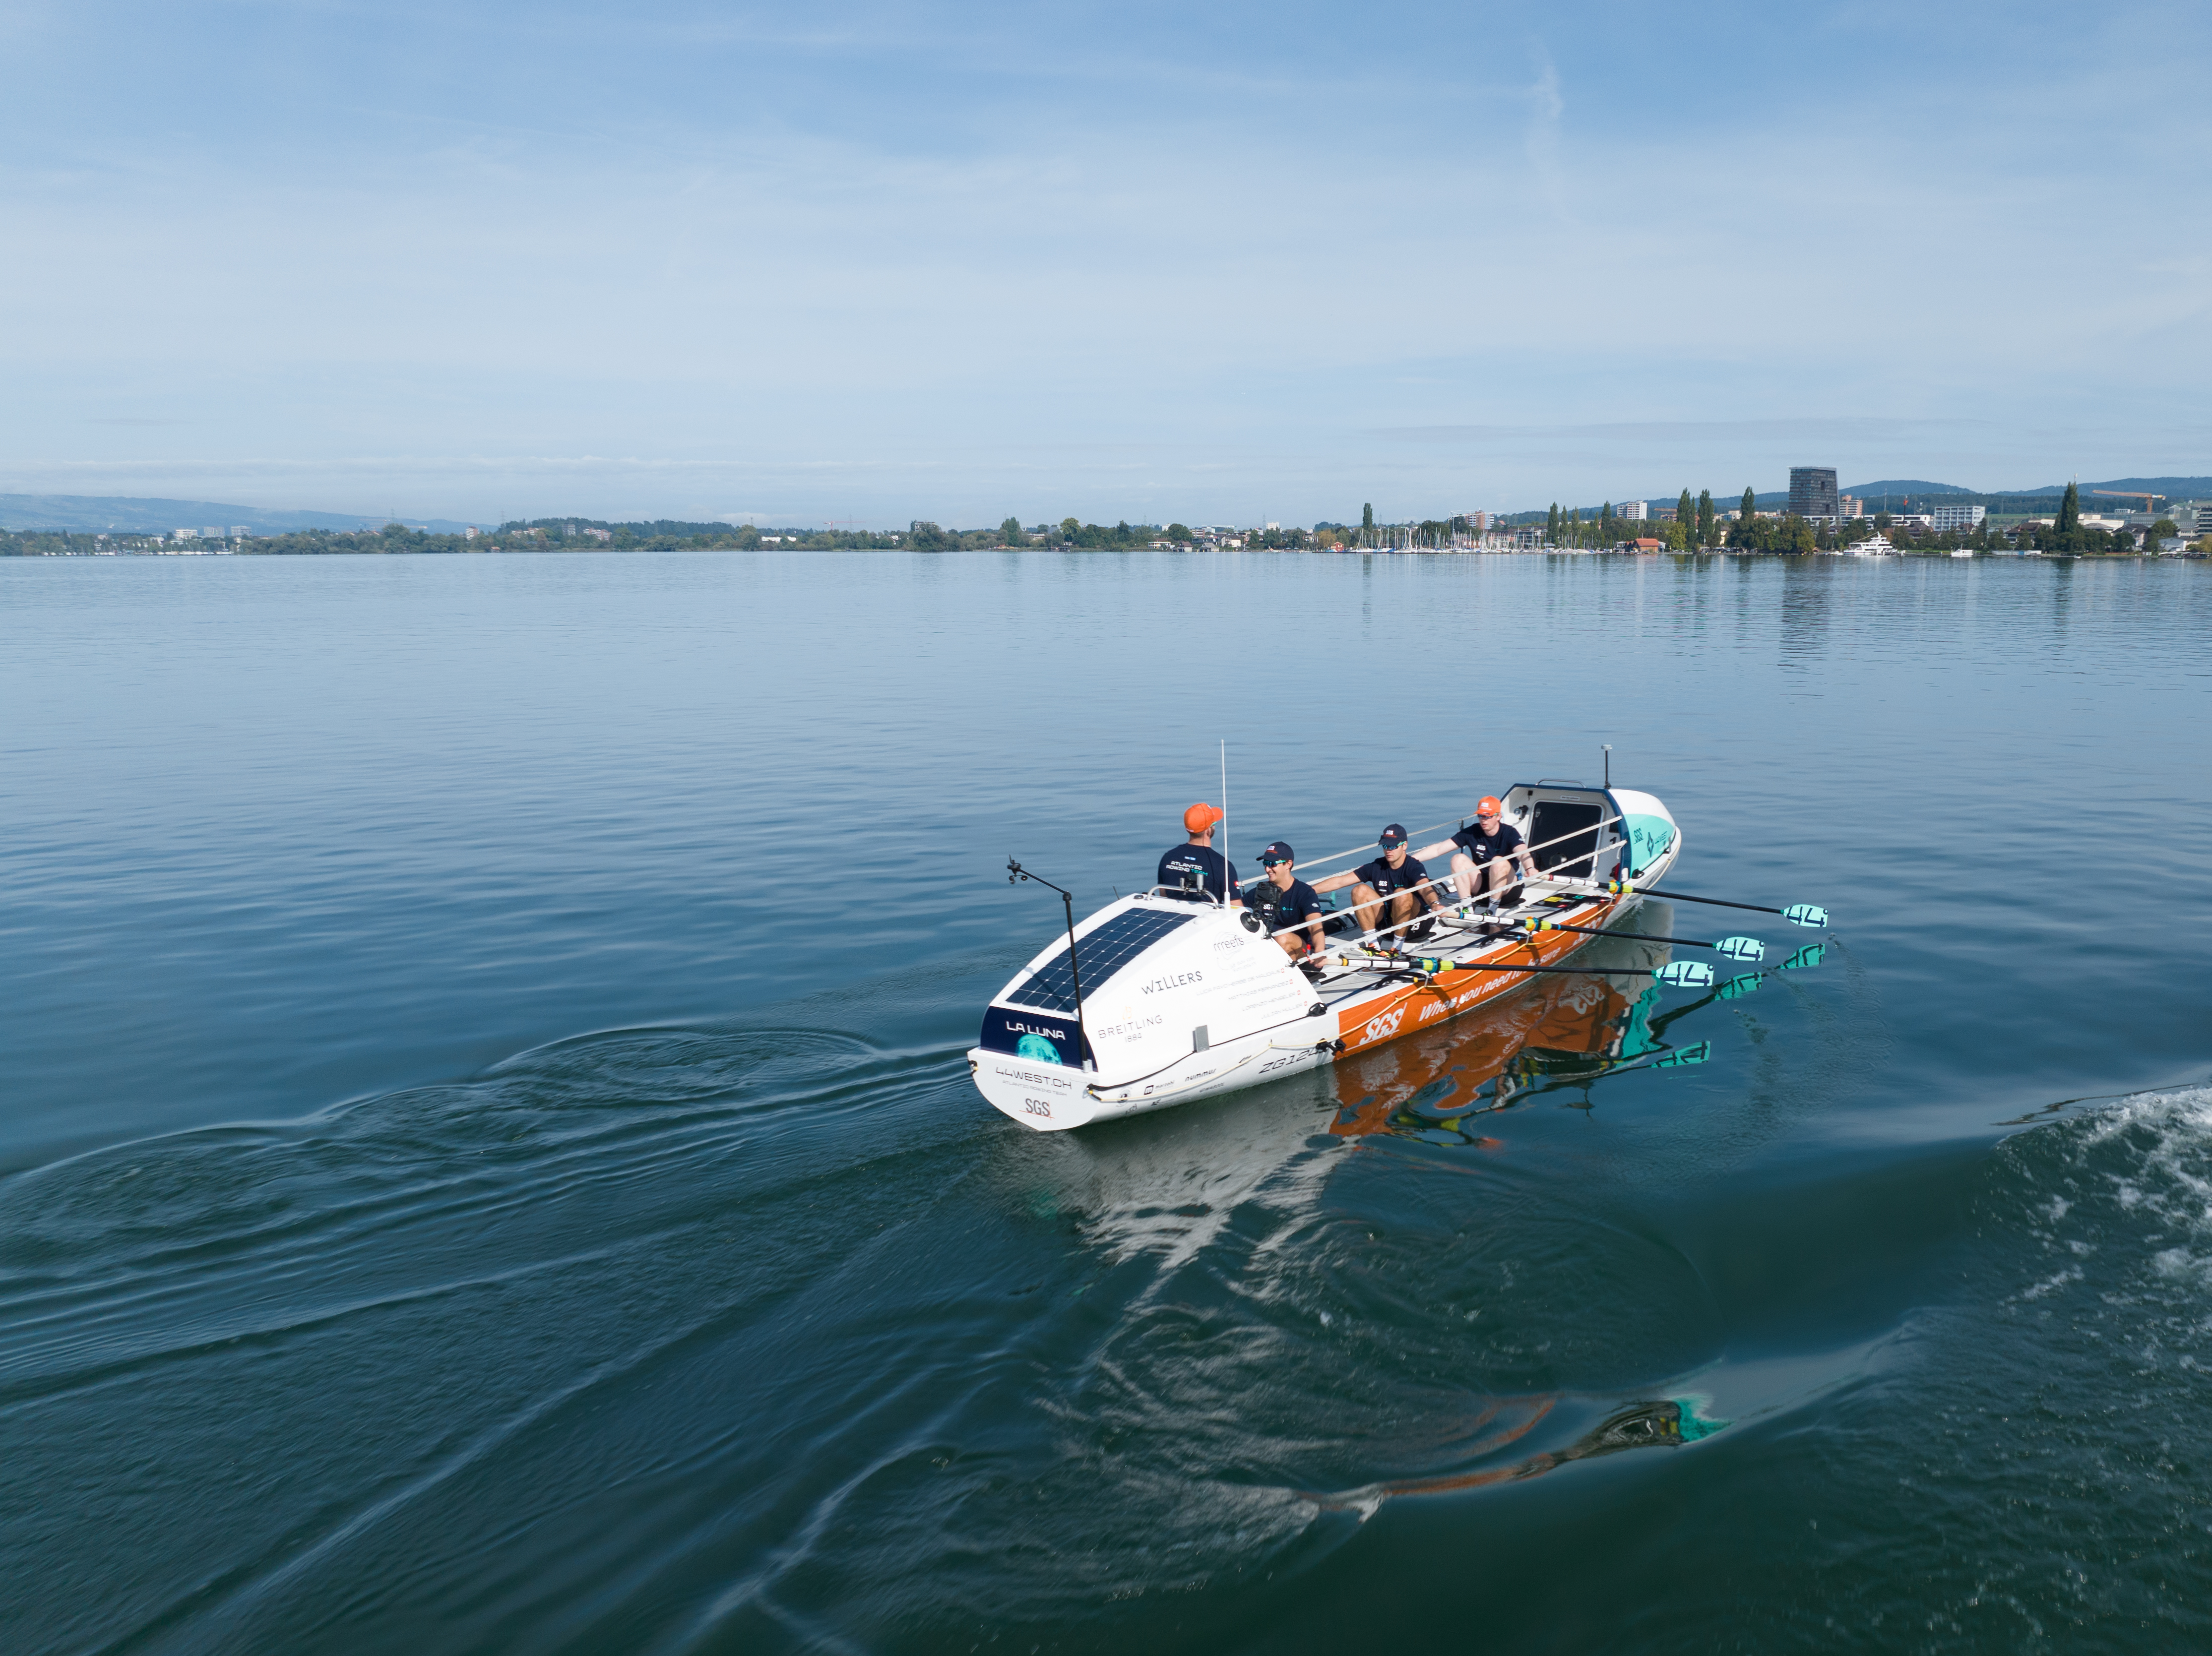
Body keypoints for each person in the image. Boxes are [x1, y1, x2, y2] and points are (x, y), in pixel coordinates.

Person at [1315, 823, 1447, 946]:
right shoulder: (1377, 866)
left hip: (1416, 925)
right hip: (1388, 926)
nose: (1388, 851)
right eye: (1385, 846)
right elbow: (1340, 881)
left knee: (1401, 893)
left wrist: (1435, 904)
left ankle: (1397, 948)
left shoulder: (1414, 867)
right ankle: (1373, 945)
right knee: (1359, 890)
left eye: (1393, 847)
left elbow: (1425, 888)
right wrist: (1307, 891)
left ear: (1404, 846)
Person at [1417, 796, 1537, 910]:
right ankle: (1466, 907)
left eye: (1488, 816)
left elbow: (1522, 852)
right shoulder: (1473, 831)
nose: (1483, 820)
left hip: (1507, 890)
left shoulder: (1509, 833)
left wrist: (1530, 868)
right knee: (1457, 858)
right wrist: (1410, 860)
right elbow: (1438, 849)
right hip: (1481, 889)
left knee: (1498, 861)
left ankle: (1492, 910)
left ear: (1498, 816)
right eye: (1481, 816)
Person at [1243, 841, 1328, 962]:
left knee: (1282, 937)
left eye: (1272, 864)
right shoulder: (1259, 892)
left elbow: (1315, 925)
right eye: (1265, 864)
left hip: (1304, 953)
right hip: (1270, 947)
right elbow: (1234, 910)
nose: (1268, 869)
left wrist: (1320, 952)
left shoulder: (1305, 893)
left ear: (1288, 864)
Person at [1157, 802, 1242, 906]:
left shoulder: (1168, 858)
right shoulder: (1223, 866)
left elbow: (1163, 896)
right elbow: (1237, 908)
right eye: (1214, 824)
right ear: (1208, 830)